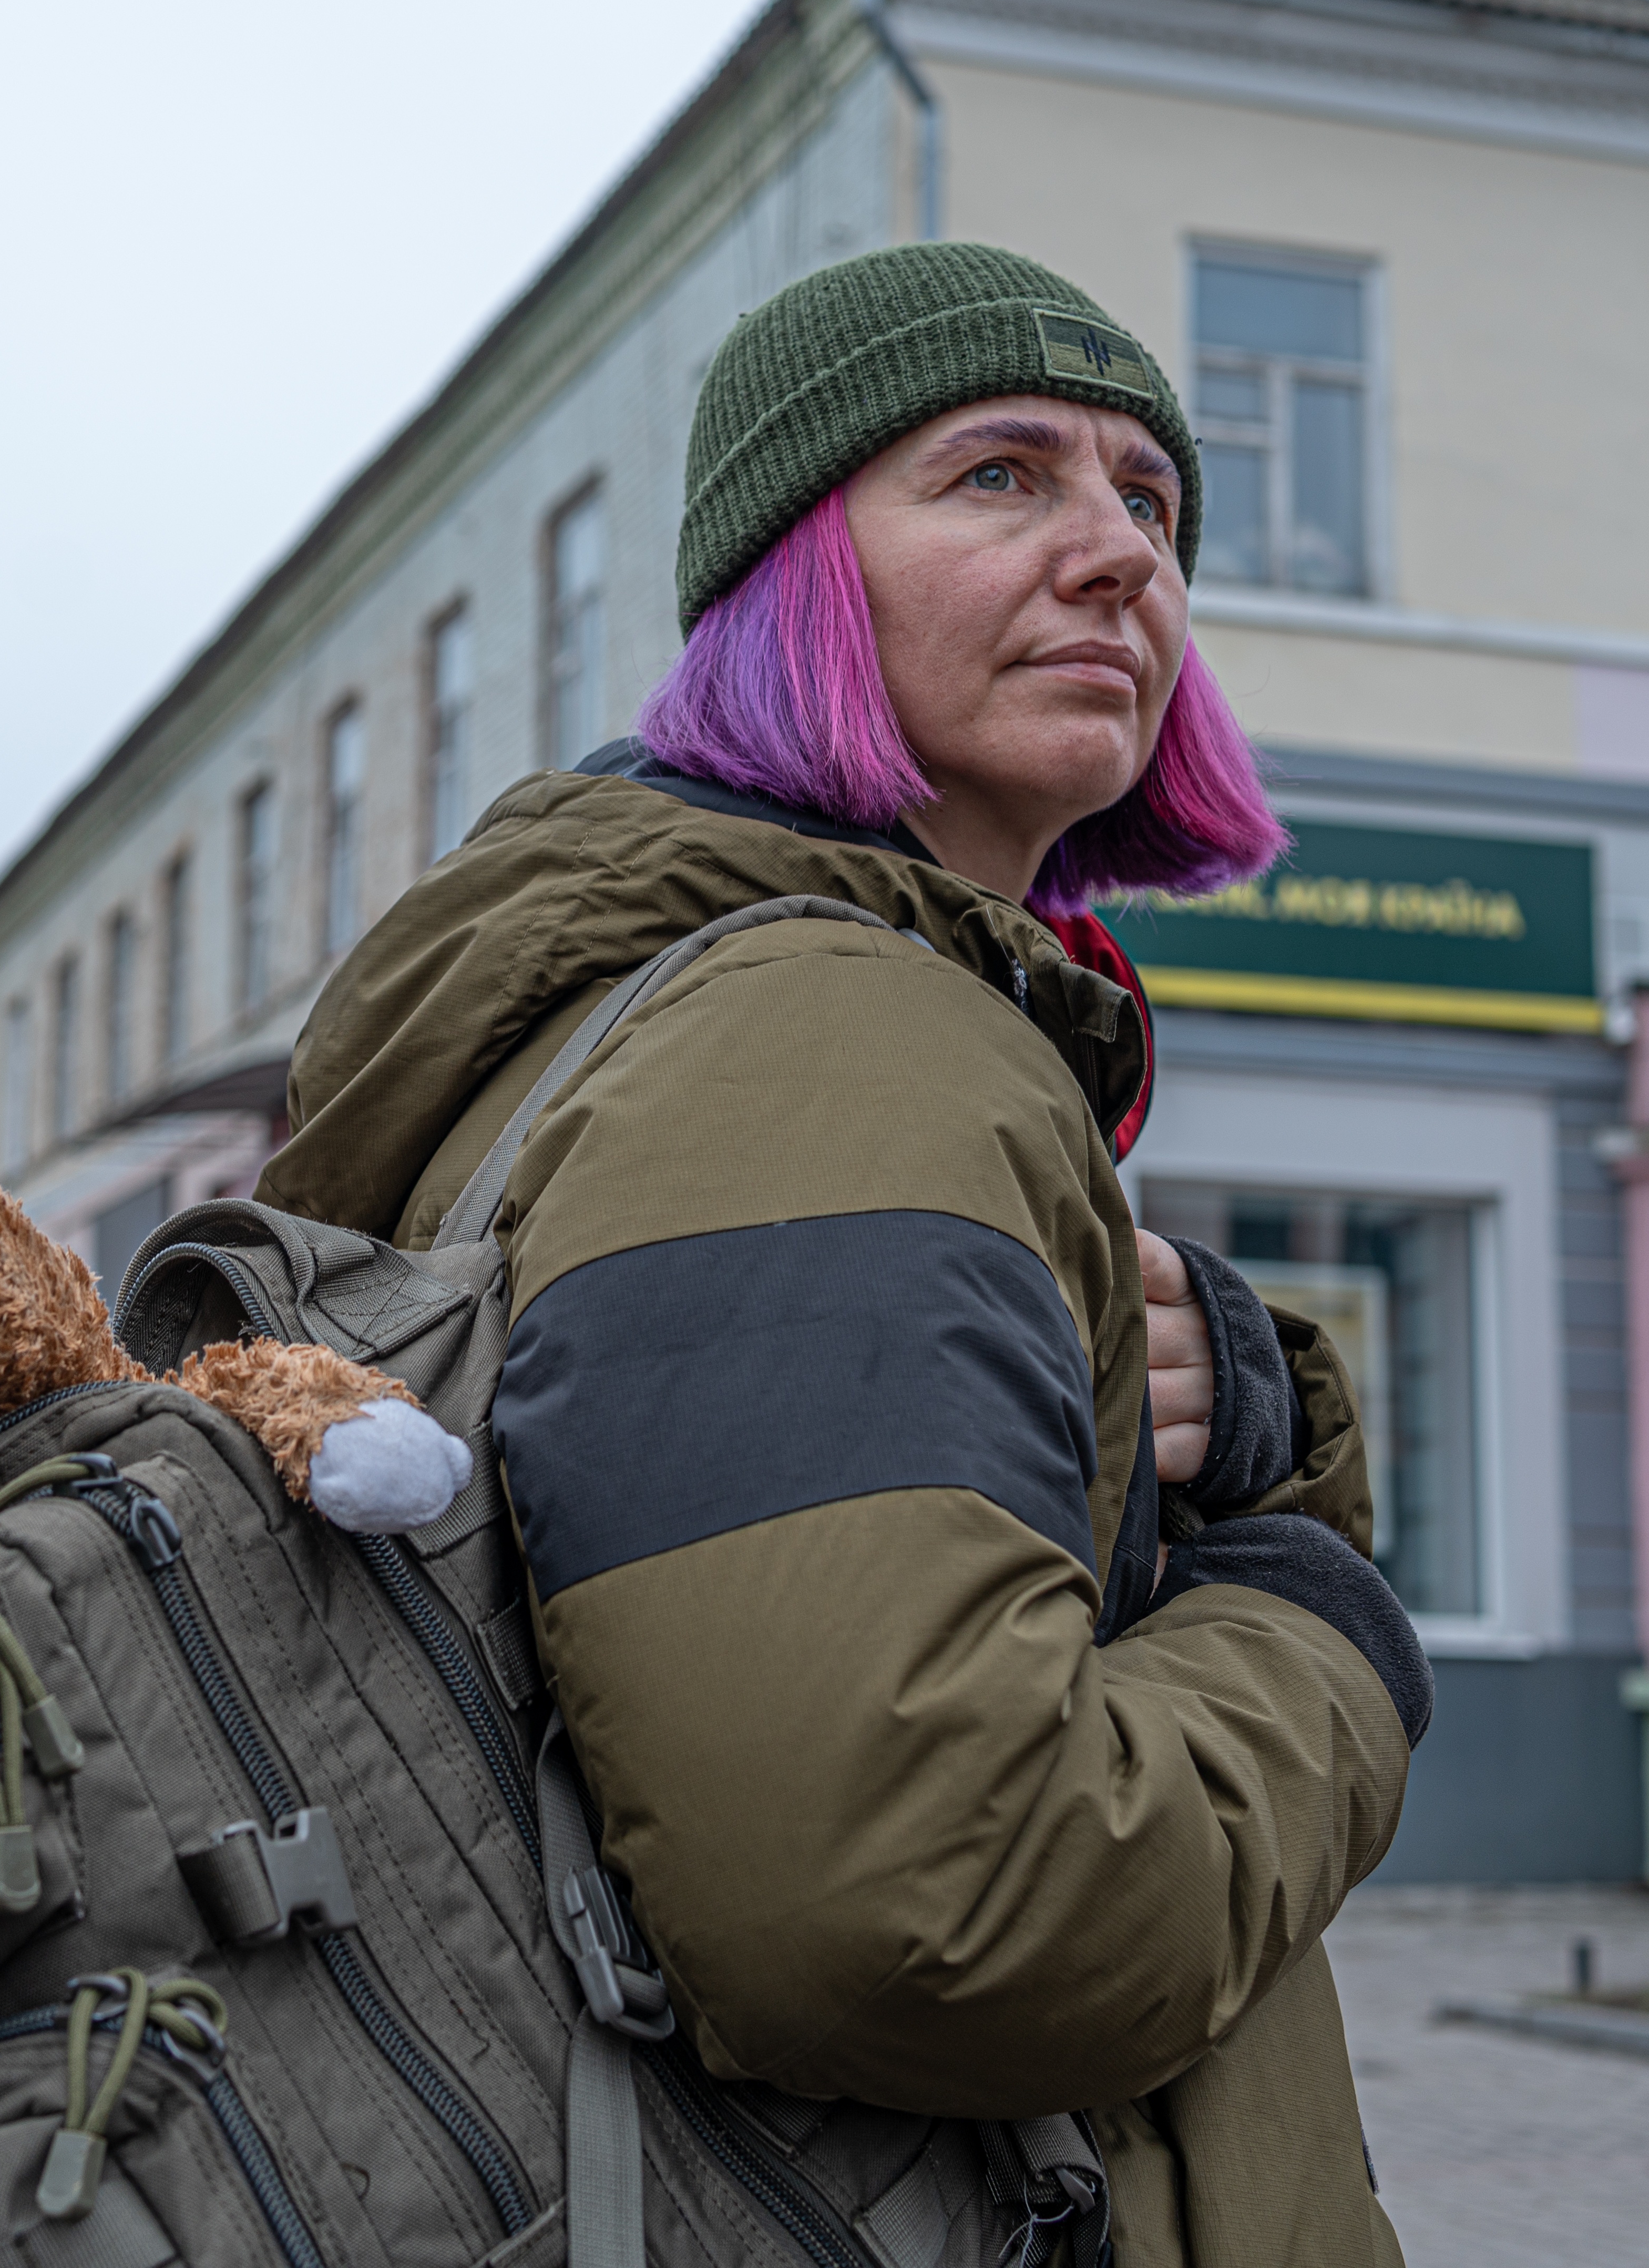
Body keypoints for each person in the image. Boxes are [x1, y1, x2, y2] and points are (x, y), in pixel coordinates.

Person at [258, 243, 1429, 2265]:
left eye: (1149, 500)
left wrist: (1243, 1414)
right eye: (998, 475)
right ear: (797, 573)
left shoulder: (754, 1006)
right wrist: (1320, 1626)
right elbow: (938, 1916)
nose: (1117, 556)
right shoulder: (826, 1031)